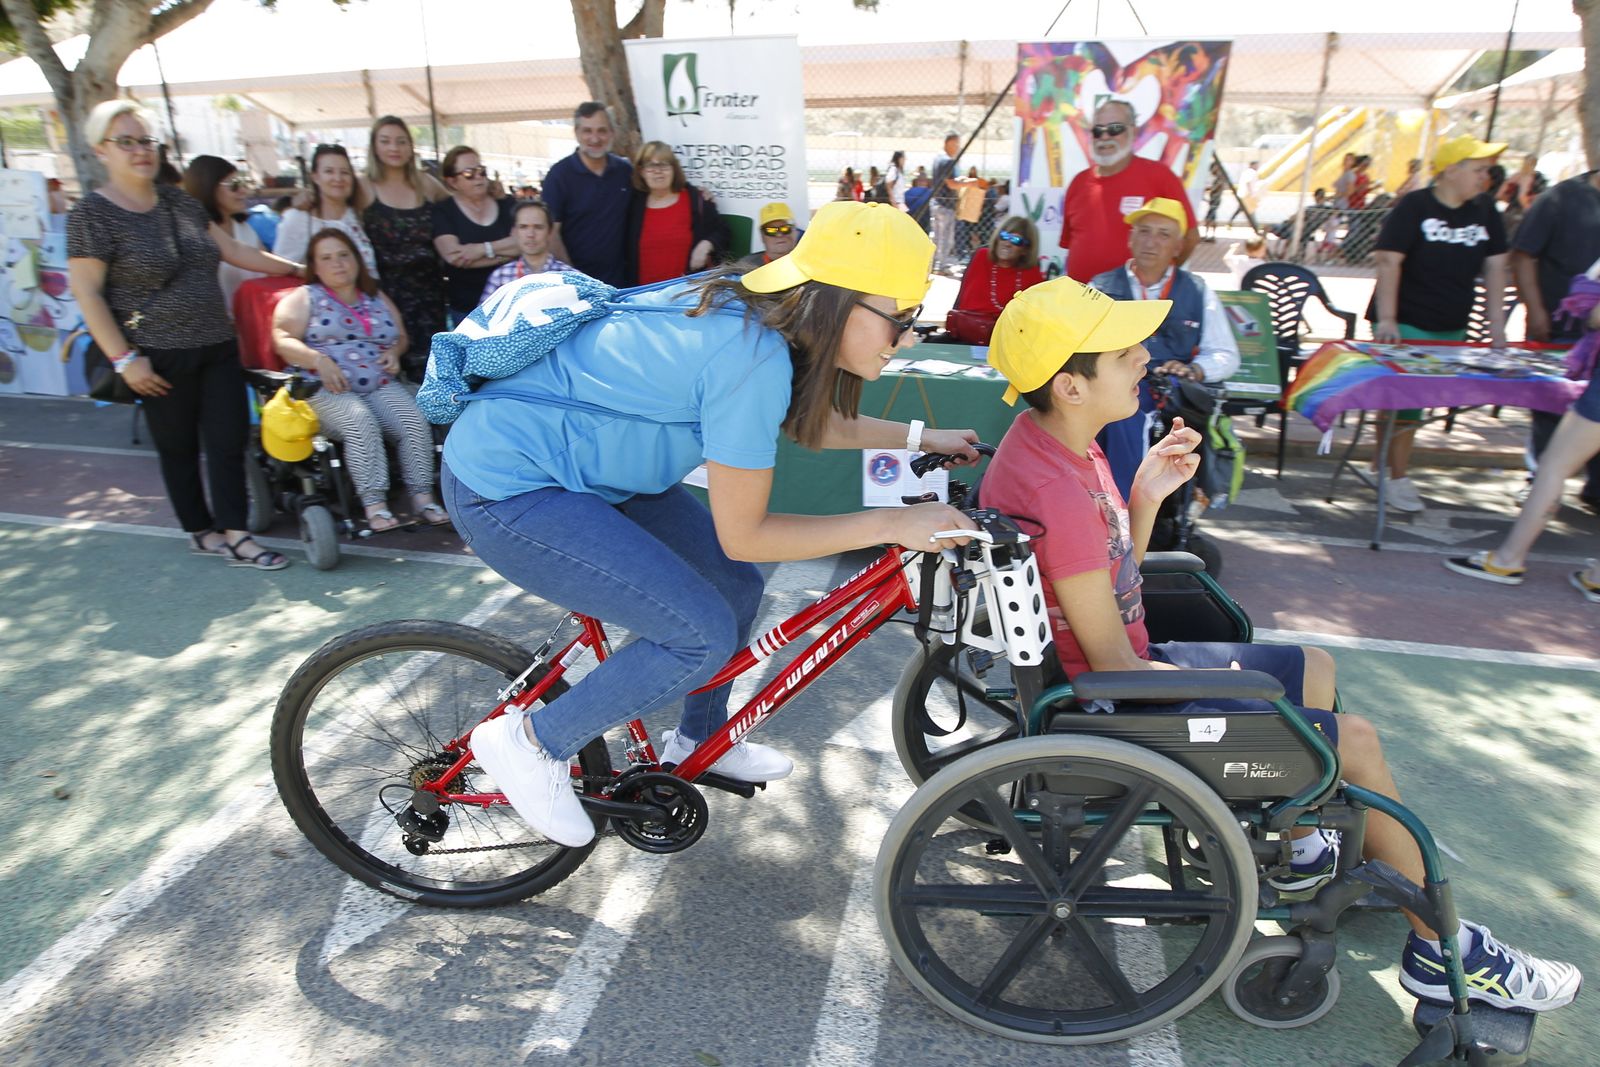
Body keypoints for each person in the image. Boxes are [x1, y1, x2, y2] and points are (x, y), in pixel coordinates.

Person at [980, 275, 1583, 1016]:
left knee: (1315, 669)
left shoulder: (1059, 447)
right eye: (1124, 350)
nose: (1144, 355)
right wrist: (1213, 687)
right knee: (1350, 741)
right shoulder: (1061, 489)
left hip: (1118, 678)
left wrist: (1144, 495)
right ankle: (1440, 950)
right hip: (1117, 707)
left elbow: (1111, 578)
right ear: (1071, 385)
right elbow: (1112, 664)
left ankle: (1299, 850)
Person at [441, 201, 981, 847]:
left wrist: (922, 434)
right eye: (902, 317)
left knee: (734, 585)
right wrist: (892, 521)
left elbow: (803, 420)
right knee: (698, 632)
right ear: (839, 302)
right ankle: (531, 741)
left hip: (589, 473)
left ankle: (698, 738)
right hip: (508, 485)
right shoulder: (751, 357)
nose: (908, 337)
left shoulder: (759, 313)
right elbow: (747, 531)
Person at [67, 100, 299, 571]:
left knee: (229, 439)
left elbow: (232, 249)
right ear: (100, 150)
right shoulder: (91, 216)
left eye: (145, 140)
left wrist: (303, 270)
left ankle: (237, 534)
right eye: (126, 142)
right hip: (154, 355)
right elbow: (88, 293)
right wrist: (123, 359)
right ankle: (200, 530)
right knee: (178, 449)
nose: (140, 151)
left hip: (215, 345)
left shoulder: (180, 203)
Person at [1365, 134, 1509, 513]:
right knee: (1405, 403)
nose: (1485, 177)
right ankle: (1395, 476)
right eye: (1479, 169)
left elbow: (1496, 266)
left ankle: (1384, 465)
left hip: (1452, 323)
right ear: (1450, 169)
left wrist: (1497, 328)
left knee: (1417, 404)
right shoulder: (1416, 205)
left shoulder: (1486, 210)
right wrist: (1389, 318)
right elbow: (1388, 260)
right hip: (1408, 321)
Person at [271, 228, 448, 531]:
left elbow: (400, 336)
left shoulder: (375, 296)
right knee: (359, 421)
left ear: (356, 259)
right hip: (325, 386)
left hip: (376, 382)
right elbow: (281, 337)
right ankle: (374, 504)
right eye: (326, 258)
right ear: (315, 265)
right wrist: (317, 359)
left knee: (413, 420)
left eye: (343, 255)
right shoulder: (305, 297)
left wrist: (395, 351)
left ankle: (422, 497)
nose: (337, 263)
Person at [1088, 197, 1240, 497]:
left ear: (1178, 246)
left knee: (1127, 414)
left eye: (1164, 234)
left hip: (1166, 388)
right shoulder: (1100, 286)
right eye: (1144, 231)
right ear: (1131, 238)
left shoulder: (1197, 290)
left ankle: (1124, 505)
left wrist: (1195, 369)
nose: (1151, 241)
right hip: (1112, 380)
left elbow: (1225, 354)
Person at [1511, 167, 1600, 509]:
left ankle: (1594, 488)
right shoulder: (1561, 197)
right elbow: (1523, 255)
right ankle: (1539, 480)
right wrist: (1535, 309)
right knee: (1549, 405)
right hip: (1559, 327)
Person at [1060, 99, 1197, 283]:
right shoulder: (1079, 182)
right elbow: (1072, 244)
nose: (1105, 136)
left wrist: (1160, 279)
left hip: (1135, 305)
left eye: (1115, 128)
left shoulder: (1160, 177)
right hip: (1081, 301)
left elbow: (1190, 237)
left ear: (1133, 132)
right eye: (1098, 130)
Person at [361, 116, 449, 383]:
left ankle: (435, 425)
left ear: (411, 147)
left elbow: (456, 209)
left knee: (431, 370)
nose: (394, 148)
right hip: (385, 295)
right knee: (391, 370)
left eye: (401, 141)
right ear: (375, 147)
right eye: (385, 141)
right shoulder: (364, 187)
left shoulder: (426, 184)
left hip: (429, 294)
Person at [541, 102, 633, 285]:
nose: (595, 138)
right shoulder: (559, 176)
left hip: (623, 282)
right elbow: (551, 234)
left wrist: (699, 195)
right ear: (576, 133)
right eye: (587, 131)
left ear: (612, 133)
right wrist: (574, 278)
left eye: (602, 130)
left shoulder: (625, 172)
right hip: (579, 284)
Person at [431, 144, 518, 324]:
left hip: (511, 306)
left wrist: (481, 250)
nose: (478, 177)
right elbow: (455, 256)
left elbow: (523, 243)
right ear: (452, 181)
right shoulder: (444, 211)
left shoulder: (505, 203)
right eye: (469, 173)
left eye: (481, 171)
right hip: (467, 310)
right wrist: (505, 254)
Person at [624, 141, 727, 286]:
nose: (658, 170)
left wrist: (706, 244)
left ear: (674, 169)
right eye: (650, 165)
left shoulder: (696, 200)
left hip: (686, 298)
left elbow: (722, 231)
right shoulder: (631, 205)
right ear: (641, 171)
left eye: (664, 164)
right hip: (644, 298)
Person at [273, 144, 378, 277]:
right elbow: (279, 270)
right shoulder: (298, 219)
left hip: (371, 294)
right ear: (315, 177)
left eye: (345, 172)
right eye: (329, 171)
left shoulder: (357, 213)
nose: (338, 178)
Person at [944, 215, 1044, 345]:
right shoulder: (981, 257)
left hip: (1008, 341)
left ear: (1026, 250)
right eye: (1004, 236)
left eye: (1016, 240)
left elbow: (1034, 319)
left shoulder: (1031, 272)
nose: (1007, 243)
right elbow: (962, 302)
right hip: (966, 335)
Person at [183, 155, 263, 315]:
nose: (243, 191)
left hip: (254, 323)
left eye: (243, 183)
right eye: (234, 185)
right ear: (208, 187)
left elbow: (267, 271)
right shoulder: (193, 235)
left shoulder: (245, 229)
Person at [480, 200, 573, 304]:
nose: (530, 234)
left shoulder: (570, 278)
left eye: (538, 227)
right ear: (514, 232)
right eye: (523, 227)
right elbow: (482, 318)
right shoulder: (500, 276)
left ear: (550, 232)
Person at [929, 132, 962, 272]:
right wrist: (967, 184)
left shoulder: (937, 159)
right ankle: (940, 265)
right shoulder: (948, 161)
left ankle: (934, 264)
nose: (958, 148)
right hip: (946, 205)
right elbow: (950, 183)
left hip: (936, 202)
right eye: (956, 144)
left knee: (937, 237)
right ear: (949, 143)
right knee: (946, 238)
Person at [733, 202, 800, 271]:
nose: (779, 234)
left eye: (785, 228)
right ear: (762, 236)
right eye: (771, 230)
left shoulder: (809, 263)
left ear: (795, 231)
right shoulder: (744, 267)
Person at [954, 166, 991, 260]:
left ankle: (970, 251)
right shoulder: (966, 182)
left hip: (973, 212)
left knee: (971, 234)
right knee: (965, 233)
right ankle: (966, 251)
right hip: (965, 211)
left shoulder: (978, 182)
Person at [1229, 159, 1262, 225]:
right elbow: (1248, 182)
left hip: (1242, 194)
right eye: (1256, 165)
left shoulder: (1245, 172)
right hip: (1247, 195)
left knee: (1241, 209)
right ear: (1252, 165)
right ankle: (1255, 225)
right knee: (1251, 210)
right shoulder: (1252, 172)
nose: (1257, 167)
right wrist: (1251, 193)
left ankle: (1230, 222)